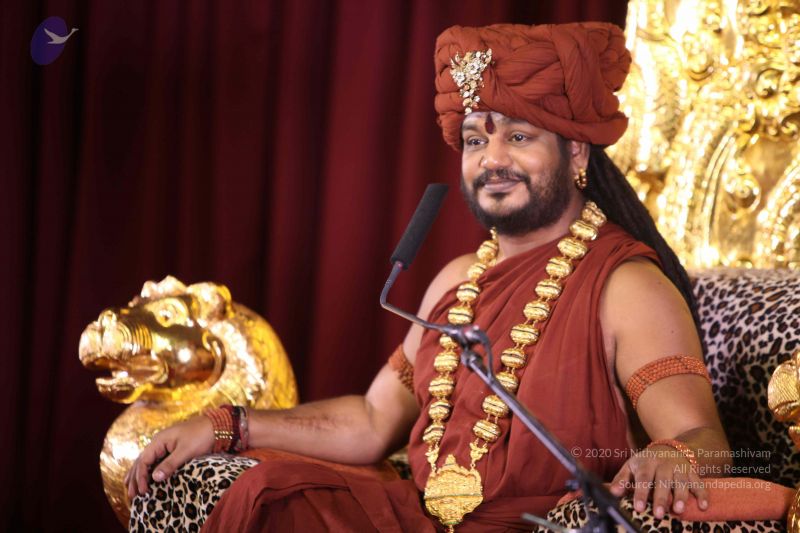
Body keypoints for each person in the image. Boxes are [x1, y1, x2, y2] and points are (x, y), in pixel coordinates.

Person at [126, 22, 731, 532]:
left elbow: (704, 438)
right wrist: (228, 424)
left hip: (547, 525)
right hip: (423, 518)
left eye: (519, 136)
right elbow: (372, 421)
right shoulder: (456, 280)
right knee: (264, 497)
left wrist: (676, 456)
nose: (492, 159)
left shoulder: (625, 286)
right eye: (475, 139)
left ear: (576, 152)